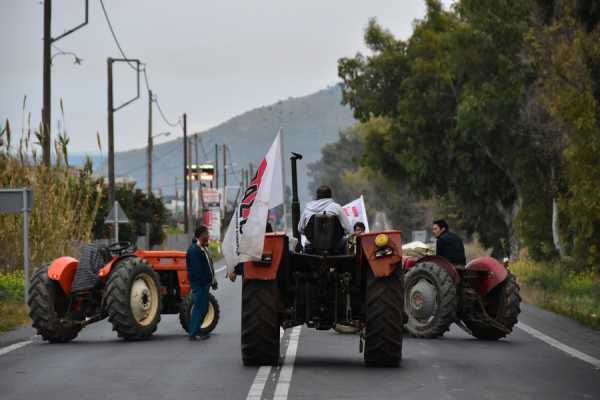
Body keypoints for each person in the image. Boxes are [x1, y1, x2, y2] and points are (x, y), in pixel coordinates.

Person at [186, 225, 217, 340]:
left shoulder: (203, 248)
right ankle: (193, 333)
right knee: (199, 308)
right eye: (207, 234)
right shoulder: (194, 250)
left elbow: (209, 265)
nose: (208, 236)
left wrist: (212, 280)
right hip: (199, 284)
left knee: (203, 308)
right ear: (201, 235)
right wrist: (205, 282)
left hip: (205, 284)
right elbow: (196, 270)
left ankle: (197, 330)